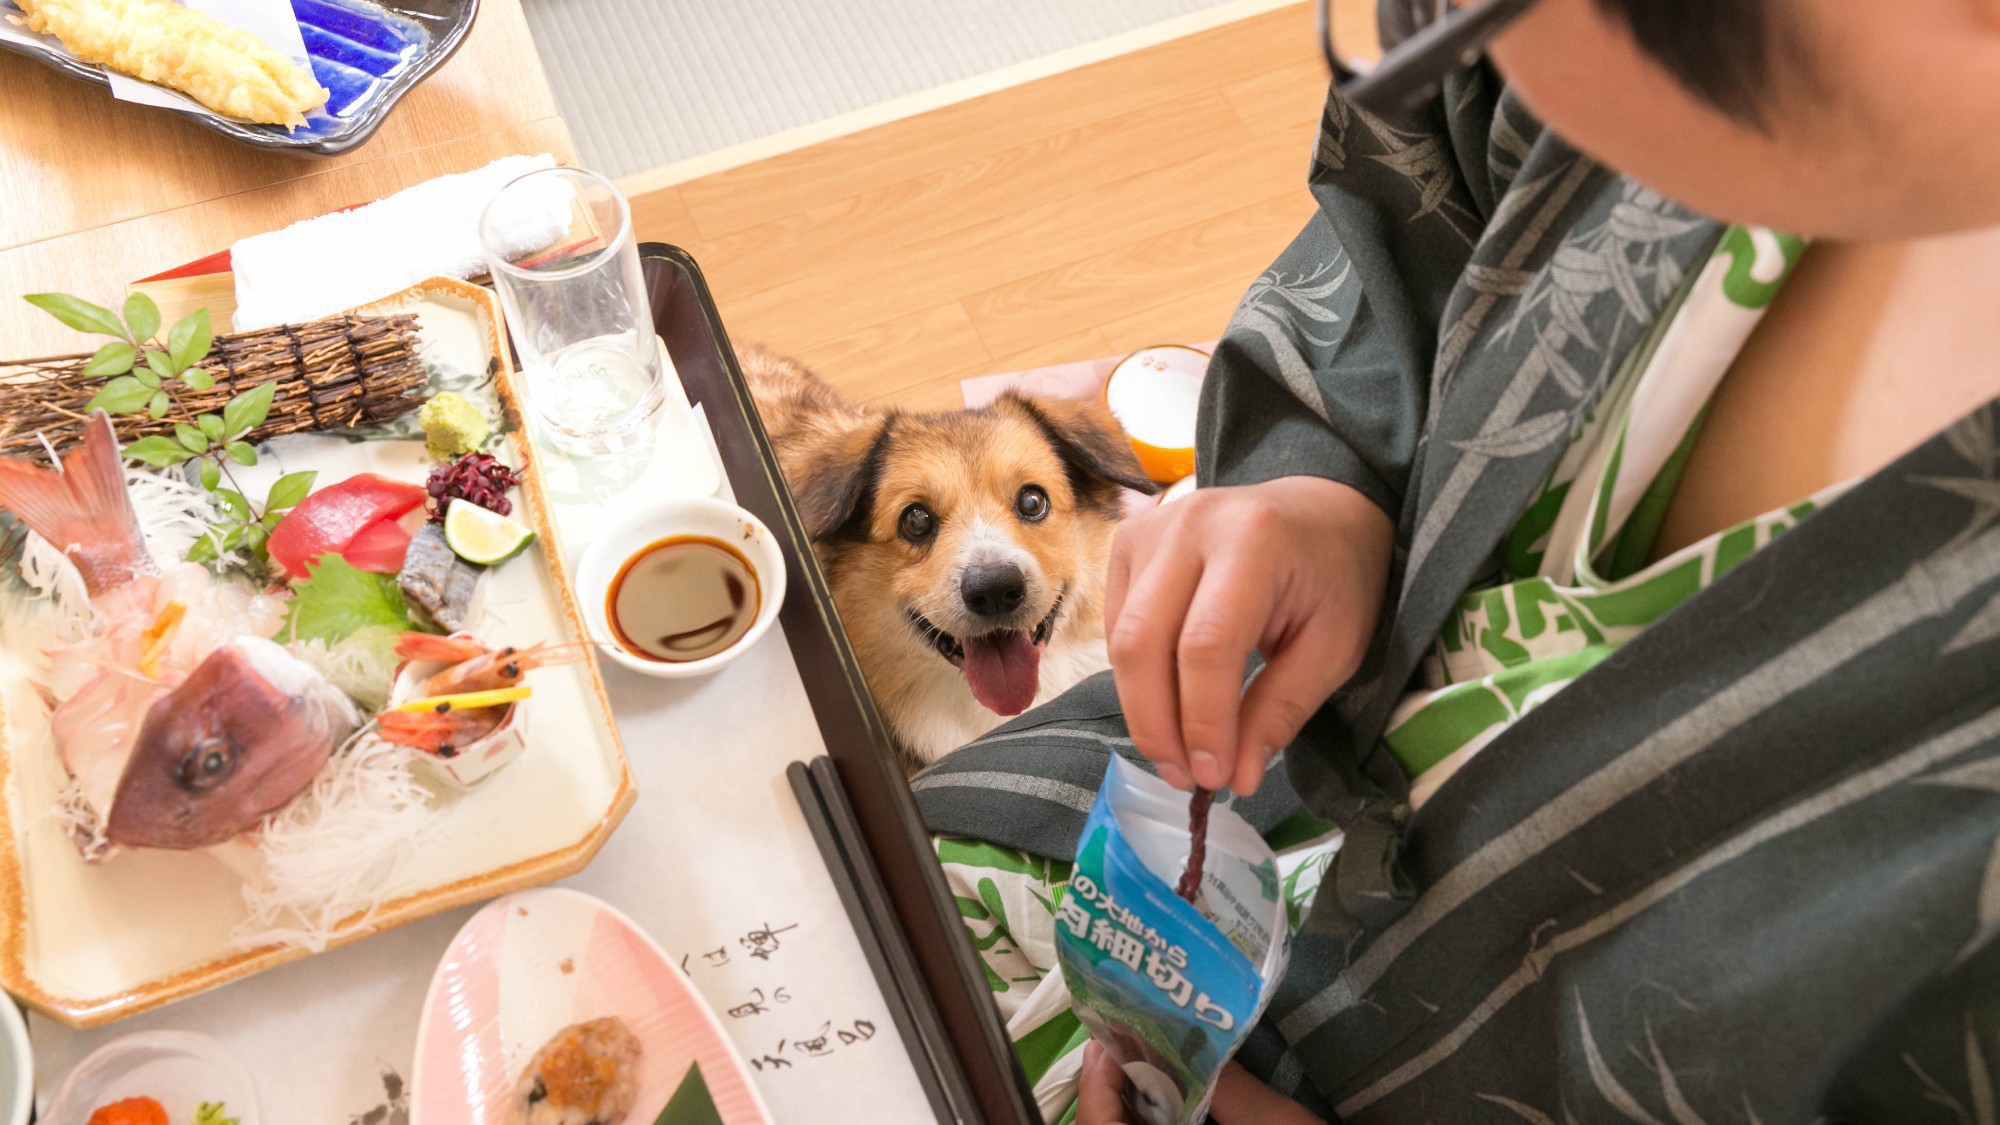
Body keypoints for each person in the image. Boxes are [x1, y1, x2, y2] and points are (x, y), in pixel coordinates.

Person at [913, 0, 2000, 1120]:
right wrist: (1321, 481)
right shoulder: (1626, 70)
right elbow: (1422, 189)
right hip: (1072, 837)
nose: (1426, 36)